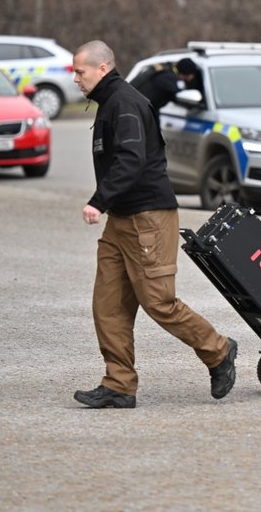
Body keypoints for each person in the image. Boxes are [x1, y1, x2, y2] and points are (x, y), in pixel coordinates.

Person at [70, 40, 237, 408]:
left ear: (102, 68)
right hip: (123, 220)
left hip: (148, 217)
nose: (75, 79)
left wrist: (99, 200)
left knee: (158, 302)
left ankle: (219, 350)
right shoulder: (111, 102)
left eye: (79, 71)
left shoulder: (125, 103)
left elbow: (130, 160)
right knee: (109, 303)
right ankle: (119, 384)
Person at [130, 57, 203, 121]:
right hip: (138, 112)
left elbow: (173, 97)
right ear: (186, 73)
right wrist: (199, 105)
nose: (192, 78)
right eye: (192, 75)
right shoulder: (168, 78)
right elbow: (179, 95)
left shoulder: (167, 71)